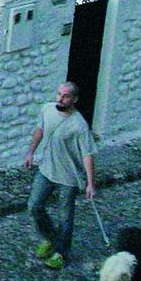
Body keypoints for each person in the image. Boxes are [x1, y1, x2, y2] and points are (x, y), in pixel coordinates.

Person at [24, 82, 95, 270]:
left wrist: (90, 182)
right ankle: (50, 237)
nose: (60, 99)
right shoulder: (47, 109)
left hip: (68, 177)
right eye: (59, 94)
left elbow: (87, 154)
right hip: (46, 170)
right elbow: (39, 130)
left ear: (74, 99)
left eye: (65, 96)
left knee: (65, 216)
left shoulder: (79, 125)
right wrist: (31, 152)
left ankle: (61, 253)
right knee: (34, 206)